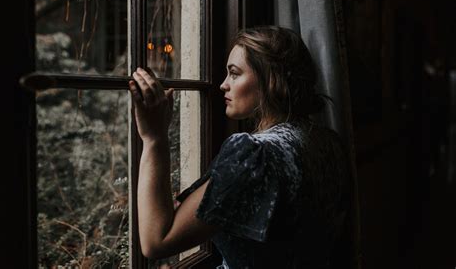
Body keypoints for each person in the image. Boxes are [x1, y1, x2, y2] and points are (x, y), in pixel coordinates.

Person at [128, 26, 352, 268]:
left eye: (234, 74)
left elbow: (156, 241)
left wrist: (154, 138)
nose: (223, 85)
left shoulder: (257, 155)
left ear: (270, 79)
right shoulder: (328, 142)